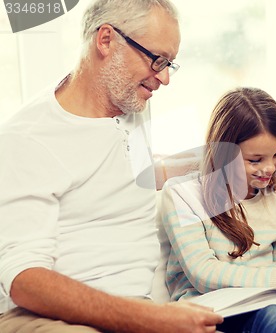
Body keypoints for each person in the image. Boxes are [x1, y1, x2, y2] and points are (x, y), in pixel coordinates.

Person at [0, 0, 223, 332]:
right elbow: (24, 280)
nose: (164, 78)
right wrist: (153, 318)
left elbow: (138, 173)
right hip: (48, 318)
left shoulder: (129, 104)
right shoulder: (27, 139)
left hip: (134, 307)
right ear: (106, 40)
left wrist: (229, 157)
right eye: (157, 60)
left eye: (170, 64)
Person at [157, 87, 276, 333]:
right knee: (275, 314)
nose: (269, 168)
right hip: (210, 310)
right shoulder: (183, 194)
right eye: (255, 160)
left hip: (270, 301)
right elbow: (203, 274)